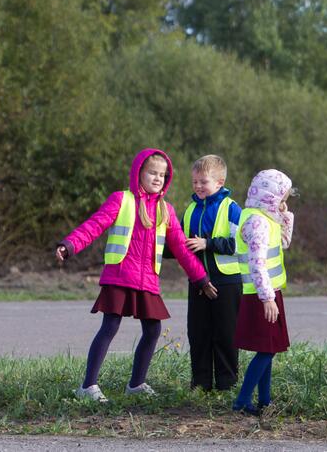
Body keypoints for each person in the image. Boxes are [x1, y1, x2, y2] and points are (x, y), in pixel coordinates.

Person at [56, 148, 217, 403]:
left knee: (153, 330)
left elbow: (182, 251)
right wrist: (70, 244)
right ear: (138, 173)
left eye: (162, 175)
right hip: (119, 275)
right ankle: (87, 386)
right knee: (110, 327)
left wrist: (201, 278)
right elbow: (94, 225)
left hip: (147, 281)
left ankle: (136, 384)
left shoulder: (167, 211)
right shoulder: (122, 200)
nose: (157, 179)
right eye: (152, 173)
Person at [231, 169, 294, 415]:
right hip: (261, 295)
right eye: (282, 197)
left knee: (269, 347)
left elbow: (284, 243)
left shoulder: (266, 218)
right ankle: (243, 400)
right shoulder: (256, 222)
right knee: (267, 349)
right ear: (270, 196)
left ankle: (264, 401)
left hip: (269, 292)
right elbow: (257, 262)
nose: (284, 201)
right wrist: (267, 298)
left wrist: (285, 215)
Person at [180, 155, 243, 391]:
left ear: (220, 182)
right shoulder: (189, 210)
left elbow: (240, 244)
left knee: (226, 335)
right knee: (198, 334)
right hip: (197, 282)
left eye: (203, 182)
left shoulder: (232, 208)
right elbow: (181, 245)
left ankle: (227, 384)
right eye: (194, 181)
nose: (197, 186)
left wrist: (208, 243)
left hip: (227, 282)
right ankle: (200, 383)